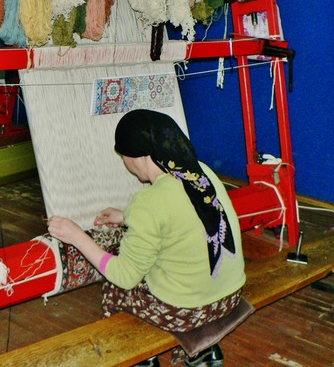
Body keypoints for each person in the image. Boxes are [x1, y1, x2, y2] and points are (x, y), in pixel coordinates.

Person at [47, 109, 246, 367]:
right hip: (230, 297)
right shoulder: (201, 172)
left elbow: (124, 276)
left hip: (190, 311)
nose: (124, 162)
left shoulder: (149, 201)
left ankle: (143, 358)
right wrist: (126, 216)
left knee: (117, 286)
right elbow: (184, 215)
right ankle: (203, 353)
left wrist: (76, 236)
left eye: (123, 155)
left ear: (141, 156)